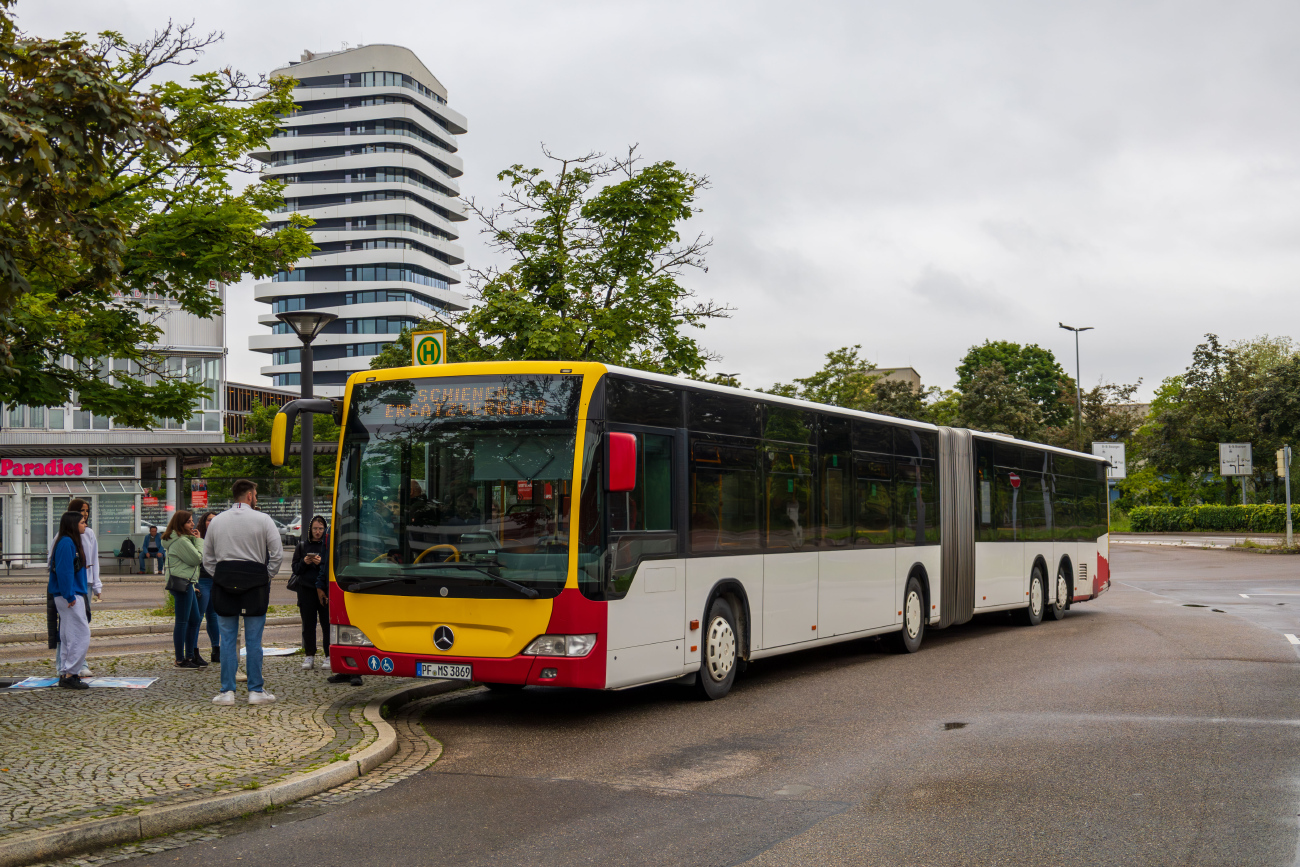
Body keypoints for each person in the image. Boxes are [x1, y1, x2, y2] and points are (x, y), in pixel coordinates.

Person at [202, 479, 283, 706]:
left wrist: (220, 576)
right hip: (255, 584)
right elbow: (276, 554)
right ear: (249, 496)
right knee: (253, 640)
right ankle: (255, 690)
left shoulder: (216, 522)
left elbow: (207, 559)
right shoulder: (263, 519)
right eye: (255, 494)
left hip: (225, 583)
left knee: (227, 639)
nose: (255, 498)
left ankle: (227, 691)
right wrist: (266, 576)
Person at [48, 511, 90, 690]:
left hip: (66, 594)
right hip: (70, 595)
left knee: (67, 636)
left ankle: (66, 673)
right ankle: (71, 674)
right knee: (80, 635)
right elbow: (64, 571)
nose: (85, 525)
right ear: (73, 525)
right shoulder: (67, 542)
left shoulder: (66, 541)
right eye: (82, 522)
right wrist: (70, 595)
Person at [162, 510, 206, 668]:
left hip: (188, 583)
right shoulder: (180, 541)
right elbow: (197, 559)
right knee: (182, 621)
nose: (192, 524)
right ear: (180, 524)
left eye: (192, 521)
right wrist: (199, 541)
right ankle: (180, 659)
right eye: (189, 522)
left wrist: (193, 540)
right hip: (182, 583)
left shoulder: (183, 539)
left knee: (194, 619)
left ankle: (189, 656)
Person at [292, 516, 331, 671]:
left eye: (321, 529)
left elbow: (331, 568)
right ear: (310, 530)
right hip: (306, 590)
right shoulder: (302, 546)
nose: (317, 532)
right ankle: (310, 655)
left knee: (326, 624)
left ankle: (328, 655)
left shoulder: (327, 546)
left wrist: (321, 562)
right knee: (308, 624)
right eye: (315, 529)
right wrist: (305, 562)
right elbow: (295, 569)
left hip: (323, 590)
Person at [68, 499, 100, 678]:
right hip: (73, 584)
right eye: (82, 511)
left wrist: (97, 584)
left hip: (86, 583)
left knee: (83, 624)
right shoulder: (64, 536)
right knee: (73, 626)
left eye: (87, 510)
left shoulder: (89, 533)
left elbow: (94, 560)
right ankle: (73, 664)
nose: (85, 514)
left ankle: (80, 662)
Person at [196, 511, 221, 662]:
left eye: (214, 520)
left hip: (216, 580)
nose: (211, 522)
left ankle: (216, 650)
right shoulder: (198, 537)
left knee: (213, 616)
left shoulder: (221, 537)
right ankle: (193, 651)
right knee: (197, 617)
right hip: (202, 579)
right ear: (203, 522)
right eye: (209, 520)